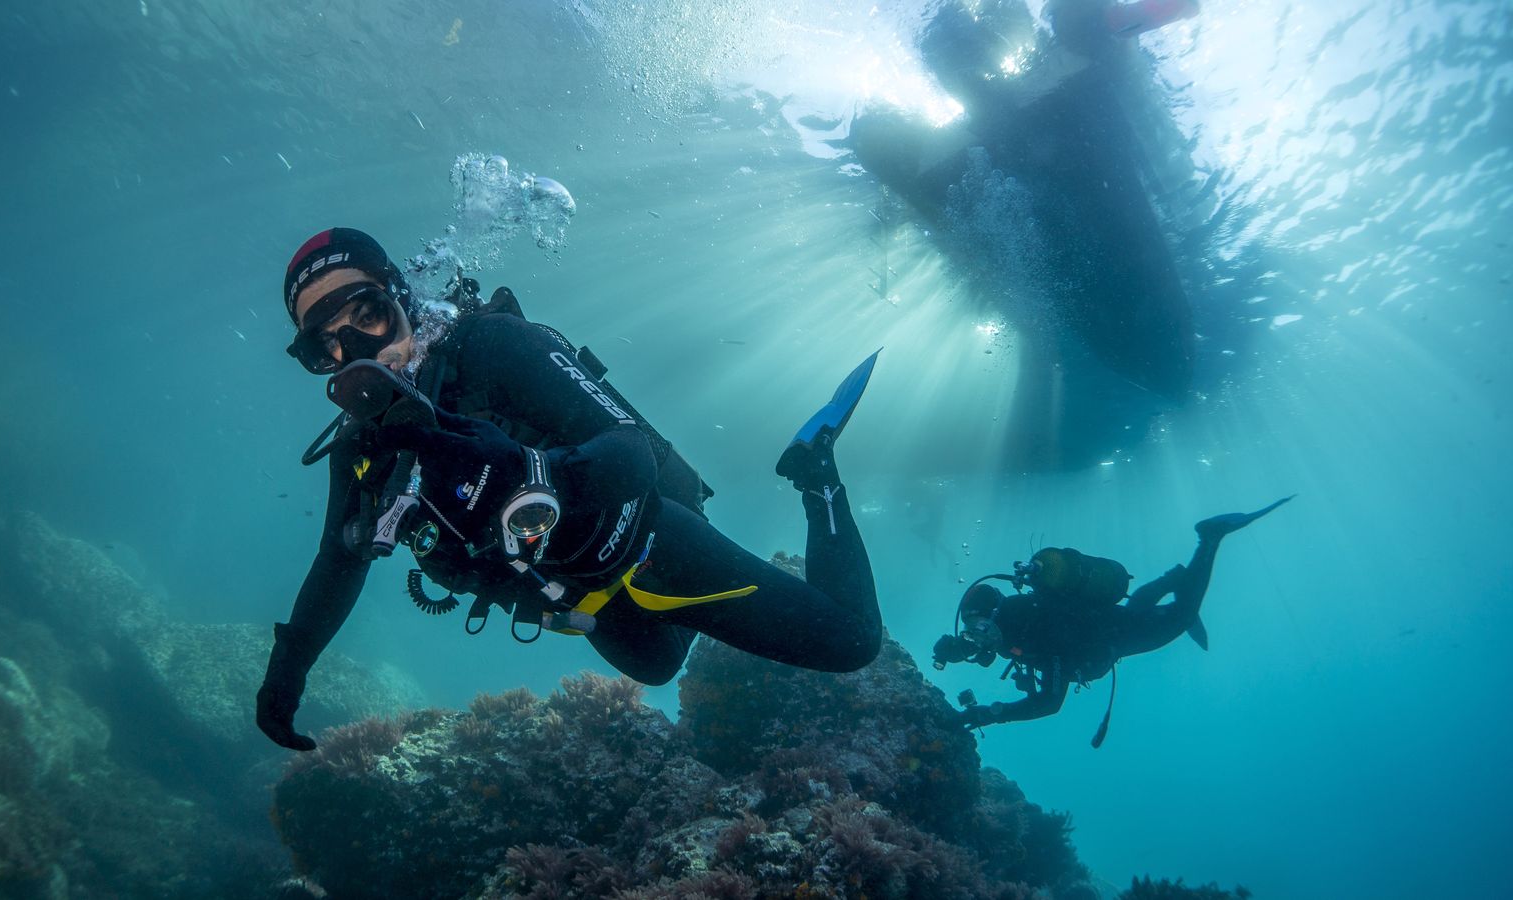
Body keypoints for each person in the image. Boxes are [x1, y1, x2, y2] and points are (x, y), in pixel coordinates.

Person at [257, 227, 883, 751]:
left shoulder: (491, 347)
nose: (357, 346)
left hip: (644, 541)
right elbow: (340, 561)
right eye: (326, 342)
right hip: (572, 595)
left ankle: (815, 467)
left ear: (401, 295)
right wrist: (289, 669)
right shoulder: (361, 446)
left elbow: (629, 448)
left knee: (849, 642)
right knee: (659, 666)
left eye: (367, 312)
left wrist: (535, 475)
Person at [931, 496, 1291, 740]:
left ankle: (1209, 539)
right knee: (1136, 606)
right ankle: (1171, 579)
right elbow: (991, 643)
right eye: (973, 631)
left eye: (979, 629)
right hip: (1111, 618)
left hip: (1119, 636)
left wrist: (991, 714)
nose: (979, 637)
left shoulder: (1039, 630)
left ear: (994, 614)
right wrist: (958, 650)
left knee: (1180, 617)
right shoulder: (1014, 619)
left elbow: (1049, 703)